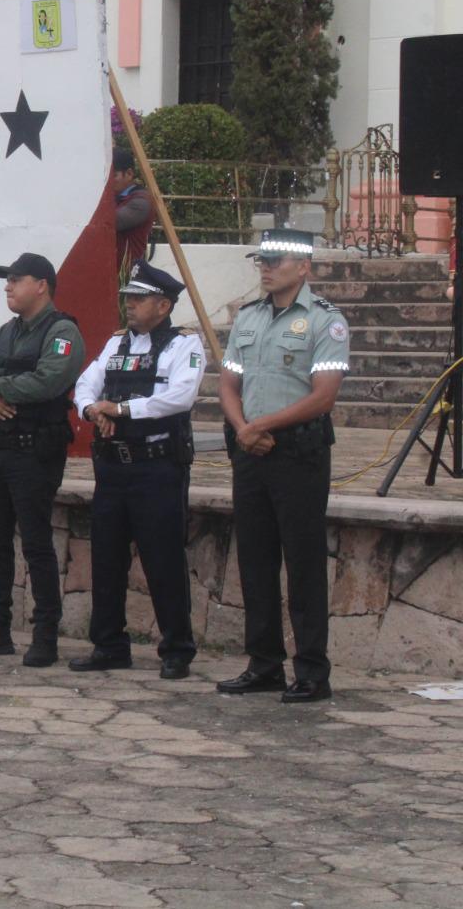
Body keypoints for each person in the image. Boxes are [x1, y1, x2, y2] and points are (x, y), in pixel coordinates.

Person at [217, 228, 348, 704]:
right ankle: (264, 663)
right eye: (262, 260)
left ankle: (312, 670)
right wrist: (242, 427)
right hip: (251, 450)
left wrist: (262, 424)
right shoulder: (249, 318)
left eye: (275, 260)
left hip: (297, 453)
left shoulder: (324, 321)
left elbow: (324, 395)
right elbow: (229, 381)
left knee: (304, 563)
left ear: (304, 266)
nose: (266, 267)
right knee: (255, 560)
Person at [69, 261, 203, 679]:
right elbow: (86, 383)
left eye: (139, 299)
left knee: (163, 560)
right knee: (107, 559)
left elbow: (179, 397)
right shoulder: (117, 343)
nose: (130, 305)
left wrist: (121, 409)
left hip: (157, 467)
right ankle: (108, 645)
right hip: (113, 467)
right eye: (128, 297)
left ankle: (176, 649)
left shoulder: (184, 345)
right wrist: (93, 409)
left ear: (163, 305)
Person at [0, 253, 85, 668]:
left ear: (41, 285)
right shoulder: (6, 333)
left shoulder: (62, 331)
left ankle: (46, 634)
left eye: (16, 279)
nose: (8, 287)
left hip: (34, 452)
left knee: (36, 543)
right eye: (7, 280)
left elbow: (49, 380)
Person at [111, 149, 153, 273]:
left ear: (129, 174)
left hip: (128, 275)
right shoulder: (114, 197)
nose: (107, 182)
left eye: (113, 176)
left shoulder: (140, 202)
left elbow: (109, 222)